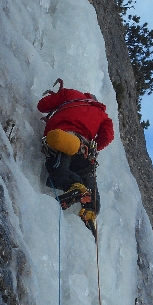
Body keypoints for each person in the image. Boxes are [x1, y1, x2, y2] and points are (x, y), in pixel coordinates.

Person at [37, 79, 114, 235]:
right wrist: (93, 148)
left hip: (66, 140)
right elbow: (107, 136)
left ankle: (75, 186)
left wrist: (58, 104)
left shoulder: (70, 95)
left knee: (57, 174)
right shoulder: (103, 116)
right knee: (88, 176)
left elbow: (42, 106)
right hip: (84, 151)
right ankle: (91, 210)